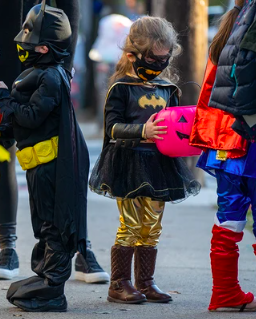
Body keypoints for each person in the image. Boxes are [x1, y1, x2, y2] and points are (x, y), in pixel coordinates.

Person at [0, 0, 108, 283]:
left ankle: (80, 247)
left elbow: (69, 7)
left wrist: (65, 63)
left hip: (45, 58)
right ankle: (7, 247)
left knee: (66, 158)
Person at [89, 16, 200, 304]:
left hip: (159, 164)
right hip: (128, 161)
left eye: (165, 59)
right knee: (130, 224)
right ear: (132, 55)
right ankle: (119, 283)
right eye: (154, 58)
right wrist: (143, 131)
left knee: (152, 225)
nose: (160, 64)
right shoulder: (121, 88)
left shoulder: (167, 89)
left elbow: (177, 127)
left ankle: (146, 282)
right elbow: (112, 128)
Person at [0, 1, 91, 312]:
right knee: (43, 224)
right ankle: (45, 276)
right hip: (38, 165)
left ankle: (53, 287)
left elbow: (32, 116)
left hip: (51, 168)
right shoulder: (40, 74)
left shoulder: (51, 78)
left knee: (53, 223)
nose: (23, 48)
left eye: (30, 43)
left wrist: (6, 100)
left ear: (45, 49)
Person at [190, 0, 256, 312]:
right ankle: (226, 293)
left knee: (229, 220)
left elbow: (206, 97)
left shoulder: (221, 47)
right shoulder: (250, 47)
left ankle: (225, 292)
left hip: (223, 146)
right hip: (253, 147)